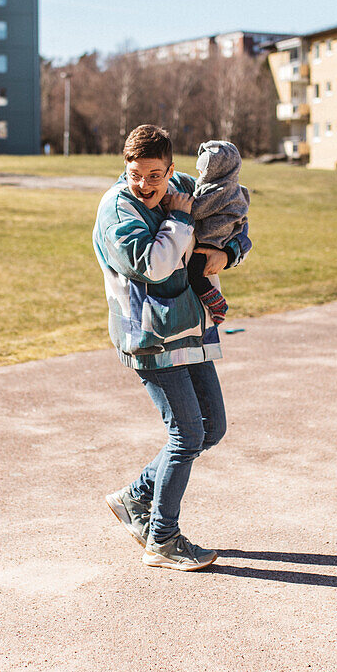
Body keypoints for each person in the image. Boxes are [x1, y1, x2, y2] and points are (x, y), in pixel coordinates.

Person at [93, 124, 251, 571]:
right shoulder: (117, 210)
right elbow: (155, 265)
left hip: (189, 328)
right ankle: (162, 538)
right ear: (125, 167)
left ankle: (135, 496)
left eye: (155, 175)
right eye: (135, 173)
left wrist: (230, 253)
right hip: (147, 336)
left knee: (211, 428)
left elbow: (233, 217)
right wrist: (180, 219)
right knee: (186, 434)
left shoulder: (182, 187)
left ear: (171, 169)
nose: (144, 184)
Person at [186, 140, 251, 324]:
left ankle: (216, 303)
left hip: (211, 240)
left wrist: (179, 206)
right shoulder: (234, 187)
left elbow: (197, 210)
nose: (198, 176)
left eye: (202, 172)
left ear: (215, 172)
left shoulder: (218, 190)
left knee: (194, 274)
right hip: (222, 237)